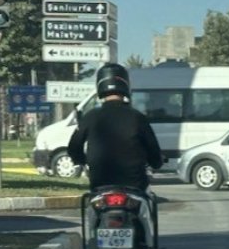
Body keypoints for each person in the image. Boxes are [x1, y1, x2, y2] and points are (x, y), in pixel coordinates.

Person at [67, 63, 164, 191]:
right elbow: (153, 148)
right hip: (134, 185)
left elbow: (74, 147)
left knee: (91, 208)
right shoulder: (137, 117)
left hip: (100, 184)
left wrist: (82, 161)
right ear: (126, 84)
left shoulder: (90, 116)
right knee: (149, 203)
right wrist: (156, 162)